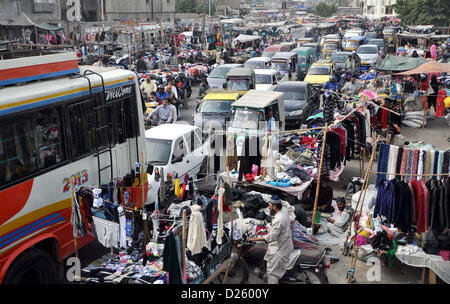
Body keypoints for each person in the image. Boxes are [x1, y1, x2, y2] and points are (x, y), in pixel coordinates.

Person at [248, 195, 301, 284]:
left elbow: (271, 238)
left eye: (270, 205)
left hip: (280, 249)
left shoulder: (279, 219)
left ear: (275, 206)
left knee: (272, 274)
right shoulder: (283, 211)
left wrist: (255, 239)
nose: (268, 207)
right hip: (286, 242)